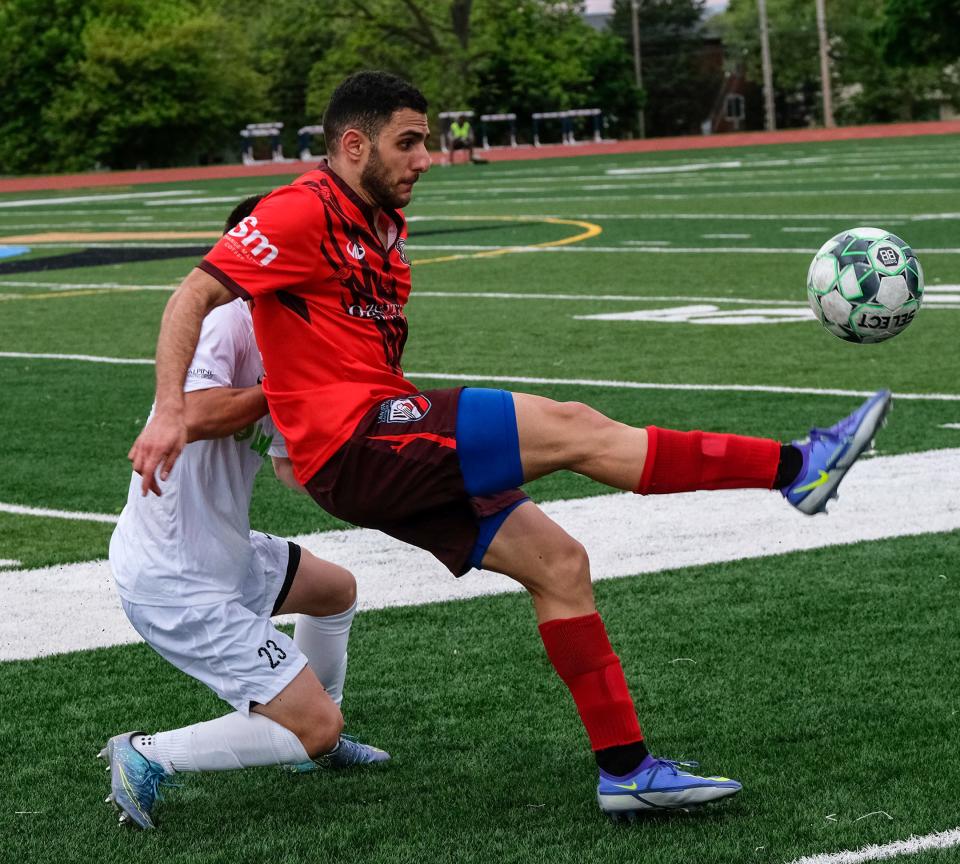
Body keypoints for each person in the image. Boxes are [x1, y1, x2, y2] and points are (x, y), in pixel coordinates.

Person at [129, 71, 892, 821]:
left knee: (560, 565)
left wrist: (304, 442)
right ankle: (798, 467)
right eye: (410, 142)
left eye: (427, 140)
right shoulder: (301, 210)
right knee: (576, 429)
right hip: (361, 441)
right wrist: (173, 412)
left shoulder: (384, 238)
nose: (426, 157)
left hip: (368, 447)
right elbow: (192, 293)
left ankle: (625, 771)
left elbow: (327, 391)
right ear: (353, 144)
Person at [101, 195, 388, 831]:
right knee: (313, 722)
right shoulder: (225, 319)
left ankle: (316, 744)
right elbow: (194, 413)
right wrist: (292, 388)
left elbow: (293, 470)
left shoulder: (285, 333)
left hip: (223, 549)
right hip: (174, 577)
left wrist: (380, 461)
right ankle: (146, 754)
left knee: (335, 591)